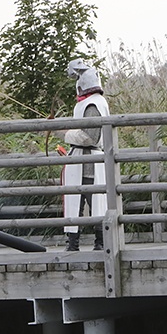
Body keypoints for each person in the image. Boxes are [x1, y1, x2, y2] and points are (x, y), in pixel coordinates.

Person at [61, 59, 110, 251]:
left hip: (89, 160)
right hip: (81, 158)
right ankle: (73, 243)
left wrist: (64, 133)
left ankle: (100, 242)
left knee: (94, 201)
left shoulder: (93, 104)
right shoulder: (90, 103)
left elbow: (90, 137)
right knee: (76, 202)